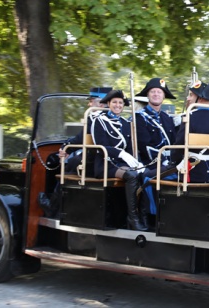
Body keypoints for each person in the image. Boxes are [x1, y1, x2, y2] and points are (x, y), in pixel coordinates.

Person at [90, 89, 146, 230]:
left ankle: (143, 216)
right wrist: (120, 153)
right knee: (132, 176)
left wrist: (136, 161)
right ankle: (132, 218)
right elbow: (100, 146)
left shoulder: (125, 123)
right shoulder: (99, 121)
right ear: (108, 103)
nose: (118, 105)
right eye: (114, 102)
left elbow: (130, 148)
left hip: (121, 164)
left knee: (144, 174)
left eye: (120, 103)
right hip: (105, 164)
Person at [59, 87, 110, 173]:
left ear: (100, 104)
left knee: (70, 164)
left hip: (97, 159)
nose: (89, 105)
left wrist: (65, 148)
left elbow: (81, 139)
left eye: (91, 101)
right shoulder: (116, 118)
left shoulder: (95, 118)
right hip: (113, 159)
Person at [134, 78, 177, 169]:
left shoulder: (167, 118)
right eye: (153, 91)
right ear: (147, 95)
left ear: (164, 96)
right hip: (150, 164)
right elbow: (144, 146)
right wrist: (164, 161)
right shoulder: (139, 117)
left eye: (159, 92)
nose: (156, 94)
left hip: (170, 163)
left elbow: (174, 142)